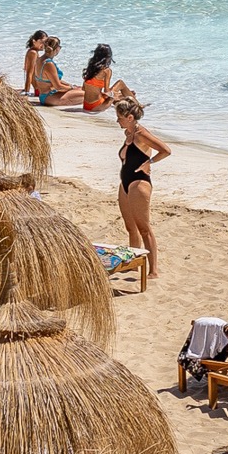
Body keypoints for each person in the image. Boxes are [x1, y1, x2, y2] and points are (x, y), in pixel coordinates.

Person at [116, 101, 168, 279]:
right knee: (130, 227)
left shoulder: (141, 134)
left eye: (120, 118)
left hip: (139, 182)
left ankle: (153, 270)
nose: (117, 121)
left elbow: (165, 150)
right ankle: (133, 264)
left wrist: (149, 162)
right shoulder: (128, 132)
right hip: (125, 182)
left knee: (144, 228)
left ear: (130, 118)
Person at [82, 43, 137, 114]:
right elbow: (107, 91)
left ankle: (124, 98)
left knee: (115, 95)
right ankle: (138, 106)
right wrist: (115, 95)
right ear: (108, 57)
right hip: (97, 106)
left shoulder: (90, 68)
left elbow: (83, 88)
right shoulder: (106, 70)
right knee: (120, 83)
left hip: (86, 106)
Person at [31, 36, 84, 107]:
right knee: (88, 95)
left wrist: (70, 85)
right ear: (58, 48)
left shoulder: (39, 60)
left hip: (44, 96)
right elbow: (58, 87)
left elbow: (54, 81)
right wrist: (71, 88)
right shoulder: (49, 64)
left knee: (81, 89)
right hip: (50, 97)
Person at [21, 29, 47, 98]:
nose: (43, 45)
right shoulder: (33, 53)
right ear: (34, 41)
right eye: (41, 42)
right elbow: (29, 73)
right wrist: (27, 92)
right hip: (40, 90)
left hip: (40, 89)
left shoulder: (34, 52)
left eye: (45, 43)